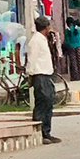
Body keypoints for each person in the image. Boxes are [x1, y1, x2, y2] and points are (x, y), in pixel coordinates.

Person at [27, 16, 61, 145]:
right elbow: (32, 59)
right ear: (45, 27)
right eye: (48, 27)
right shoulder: (36, 41)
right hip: (39, 75)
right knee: (42, 103)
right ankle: (39, 133)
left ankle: (47, 132)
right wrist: (30, 74)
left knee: (49, 103)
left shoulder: (44, 39)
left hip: (47, 75)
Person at [64, 16, 80, 81]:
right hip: (79, 47)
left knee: (73, 62)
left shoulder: (67, 31)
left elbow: (66, 41)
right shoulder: (79, 29)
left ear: (67, 23)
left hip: (71, 48)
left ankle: (76, 77)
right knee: (79, 62)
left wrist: (68, 46)